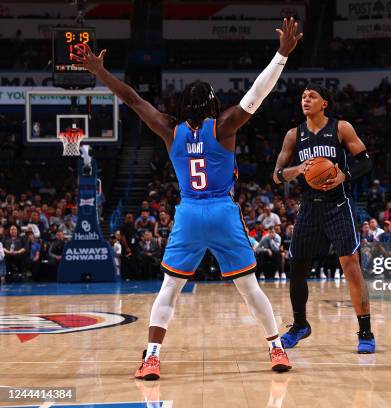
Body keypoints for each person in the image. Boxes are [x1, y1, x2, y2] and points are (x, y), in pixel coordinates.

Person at [74, 17, 302, 379]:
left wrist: (100, 71)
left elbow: (133, 100)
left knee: (170, 289)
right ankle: (276, 348)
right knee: (248, 288)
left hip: (190, 212)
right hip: (223, 212)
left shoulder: (168, 128)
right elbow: (256, 95)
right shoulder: (224, 124)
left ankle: (151, 356)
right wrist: (281, 55)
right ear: (211, 104)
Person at [273, 84, 375, 353]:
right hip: (308, 207)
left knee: (351, 266)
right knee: (296, 269)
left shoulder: (341, 128)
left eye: (312, 96)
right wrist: (299, 169)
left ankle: (365, 331)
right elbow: (277, 174)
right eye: (303, 96)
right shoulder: (294, 135)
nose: (306, 100)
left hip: (338, 205)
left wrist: (345, 175)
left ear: (324, 103)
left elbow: (365, 161)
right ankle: (300, 325)